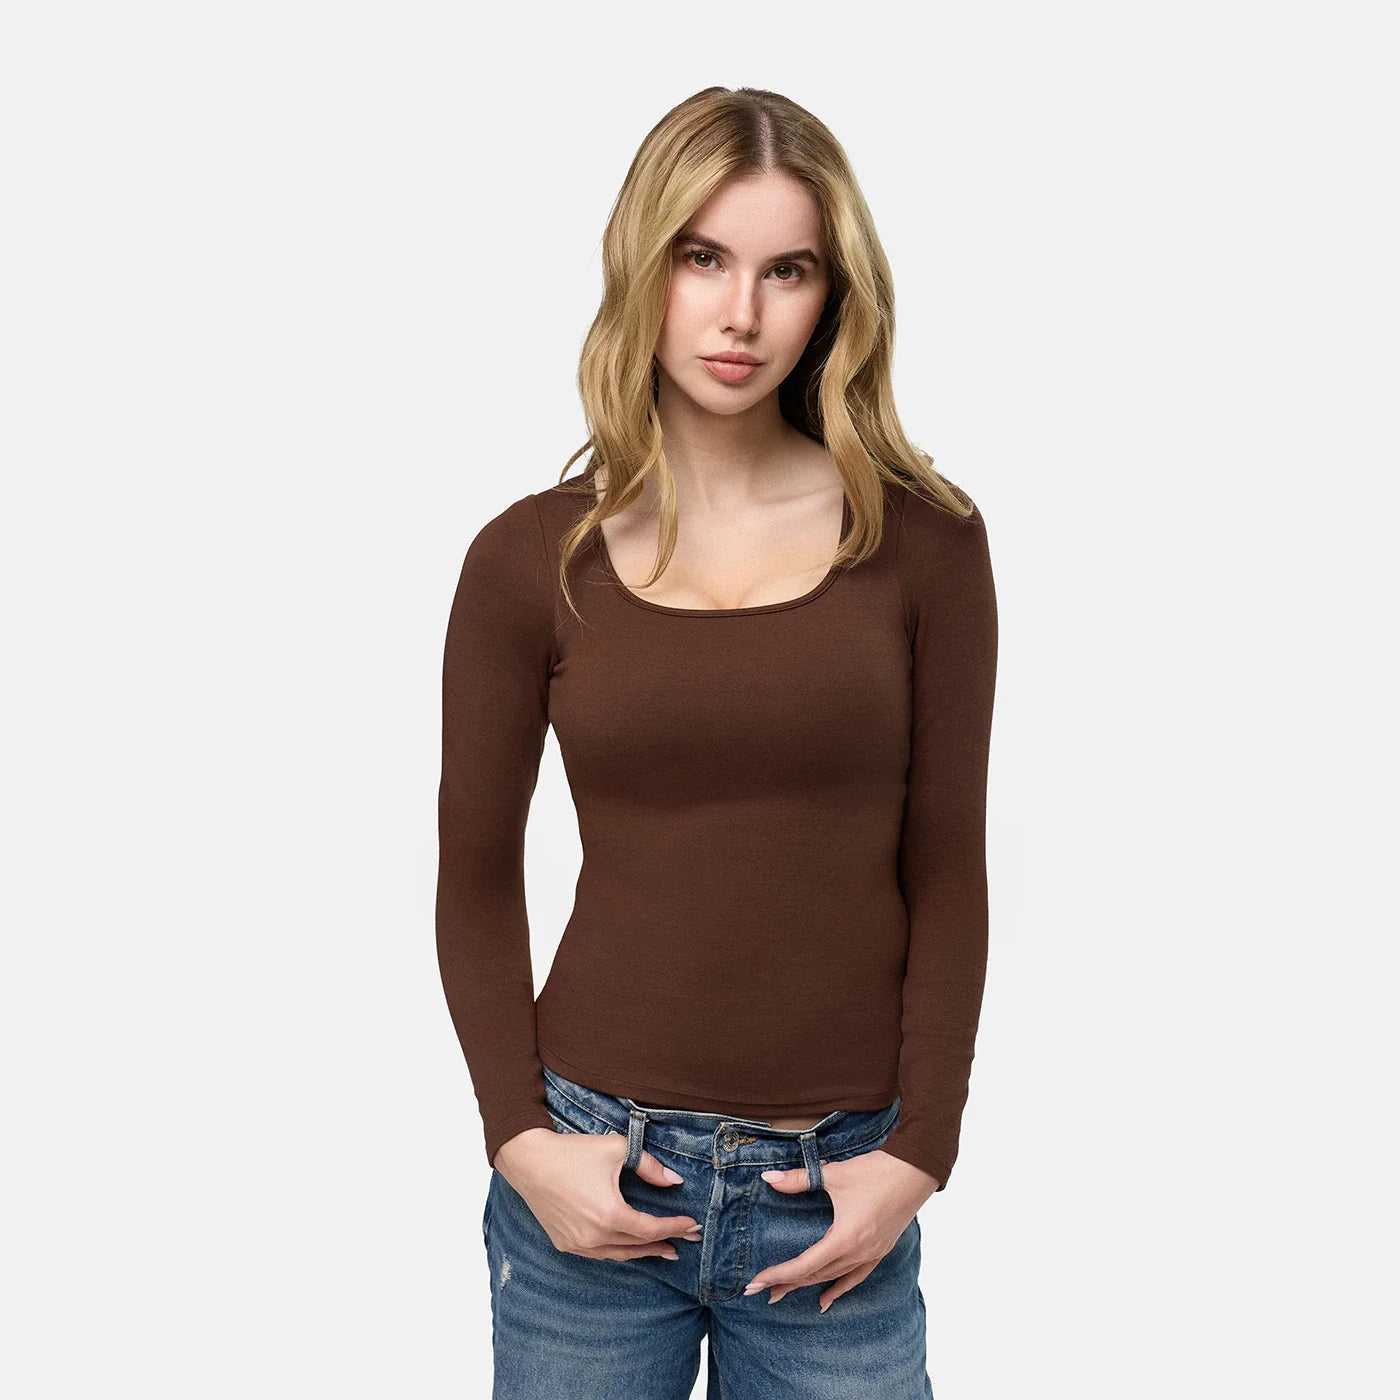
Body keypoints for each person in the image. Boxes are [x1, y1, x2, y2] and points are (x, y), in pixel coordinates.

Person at [436, 85, 999, 1399]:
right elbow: (474, 873)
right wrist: (519, 1139)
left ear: (835, 295)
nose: (740, 313)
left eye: (786, 269)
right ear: (646, 266)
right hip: (594, 1172)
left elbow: (947, 865)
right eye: (703, 258)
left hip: (835, 1194)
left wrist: (920, 1152)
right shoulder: (529, 561)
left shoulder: (925, 544)